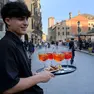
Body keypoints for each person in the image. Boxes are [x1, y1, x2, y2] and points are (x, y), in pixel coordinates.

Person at [0, 1, 54, 94]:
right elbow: (8, 88)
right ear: (8, 21)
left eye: (26, 19)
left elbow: (16, 73)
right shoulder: (6, 45)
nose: (26, 23)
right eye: (21, 19)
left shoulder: (18, 43)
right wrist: (39, 78)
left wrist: (33, 75)